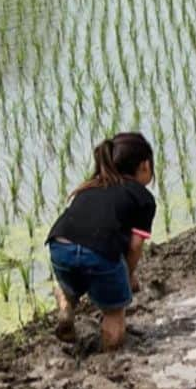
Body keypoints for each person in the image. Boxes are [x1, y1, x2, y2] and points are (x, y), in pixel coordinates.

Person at [46, 132, 156, 351]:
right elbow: (135, 246)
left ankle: (66, 302)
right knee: (115, 312)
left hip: (59, 245)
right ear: (145, 166)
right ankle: (108, 359)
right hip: (97, 253)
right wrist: (127, 277)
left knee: (75, 278)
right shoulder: (142, 197)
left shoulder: (90, 186)